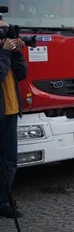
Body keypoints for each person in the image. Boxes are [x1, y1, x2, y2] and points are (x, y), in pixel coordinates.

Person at [0, 22, 27, 218]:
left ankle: (4, 202)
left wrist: (16, 54)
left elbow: (22, 74)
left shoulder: (7, 54)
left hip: (11, 110)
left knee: (9, 161)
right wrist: (5, 52)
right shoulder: (3, 54)